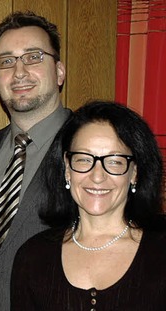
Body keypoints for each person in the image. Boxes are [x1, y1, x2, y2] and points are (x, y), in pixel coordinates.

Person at [0, 11, 71, 310]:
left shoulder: (91, 149)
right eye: (6, 61)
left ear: (59, 71)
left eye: (33, 57)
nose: (19, 72)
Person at [11, 100, 166, 310]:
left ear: (135, 173)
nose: (97, 176)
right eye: (84, 159)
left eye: (114, 161)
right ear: (67, 168)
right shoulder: (32, 257)